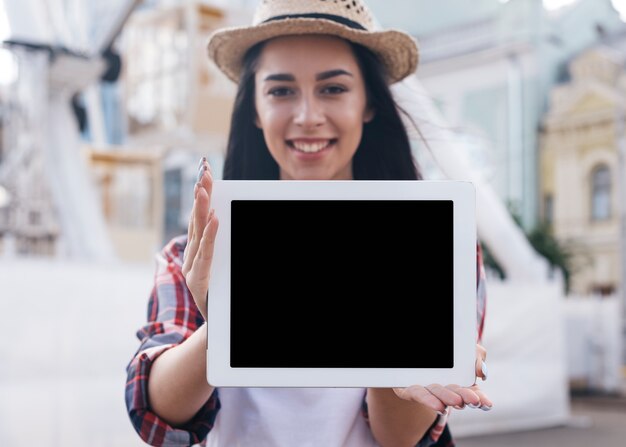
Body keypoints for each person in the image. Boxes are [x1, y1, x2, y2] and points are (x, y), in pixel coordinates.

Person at [125, 1, 491, 446]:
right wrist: (229, 319)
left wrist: (394, 337)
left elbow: (399, 437)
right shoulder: (202, 251)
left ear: (369, 103)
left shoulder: (436, 244)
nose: (307, 116)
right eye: (281, 91)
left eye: (333, 89)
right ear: (255, 110)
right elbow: (157, 413)